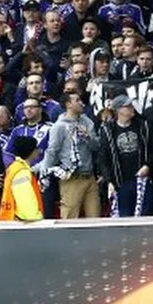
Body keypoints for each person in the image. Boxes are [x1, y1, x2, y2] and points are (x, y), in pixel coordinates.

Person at [43, 90, 101, 218]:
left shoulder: (87, 121)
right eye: (77, 101)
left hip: (90, 177)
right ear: (68, 104)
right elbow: (52, 151)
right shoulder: (59, 127)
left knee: (96, 219)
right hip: (72, 179)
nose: (82, 104)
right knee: (70, 219)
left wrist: (88, 137)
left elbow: (97, 146)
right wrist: (44, 173)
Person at [0, 134, 43, 222]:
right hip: (23, 221)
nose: (39, 151)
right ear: (31, 152)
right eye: (36, 148)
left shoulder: (15, 167)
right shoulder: (22, 172)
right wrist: (35, 218)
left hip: (12, 219)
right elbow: (25, 197)